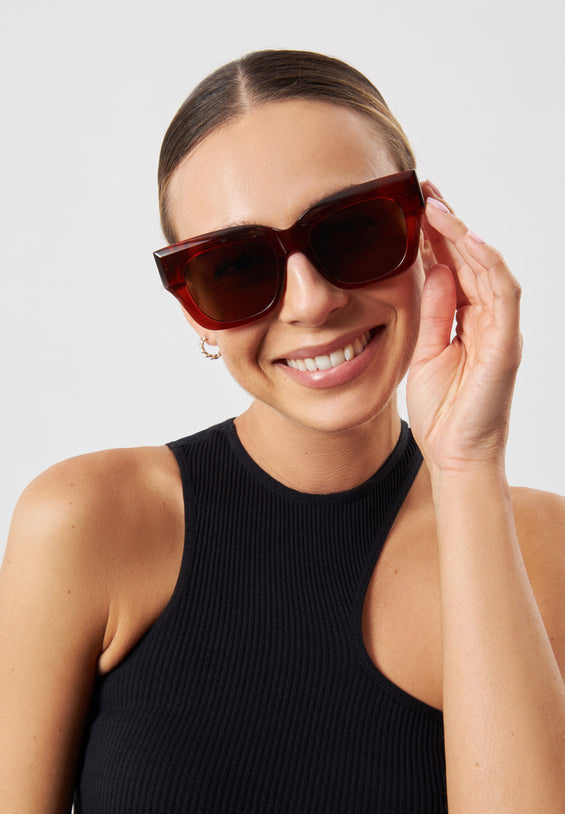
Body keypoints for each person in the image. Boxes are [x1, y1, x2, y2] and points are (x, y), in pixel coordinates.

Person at [1, 49, 564, 813]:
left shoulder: (540, 548)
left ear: (428, 232)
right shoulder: (89, 521)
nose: (311, 301)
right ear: (193, 309)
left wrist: (467, 464)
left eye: (353, 230)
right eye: (237, 267)